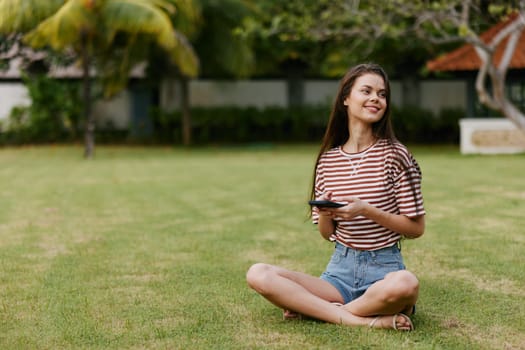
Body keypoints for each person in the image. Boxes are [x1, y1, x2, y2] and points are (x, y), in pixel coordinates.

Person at [246, 63, 425, 331]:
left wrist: (367, 210)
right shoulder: (328, 161)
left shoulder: (396, 155)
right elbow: (327, 233)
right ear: (345, 98)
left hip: (384, 270)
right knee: (258, 273)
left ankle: (317, 311)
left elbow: (416, 228)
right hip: (338, 273)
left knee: (406, 284)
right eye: (366, 91)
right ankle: (361, 320)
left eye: (382, 94)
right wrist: (327, 213)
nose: (376, 98)